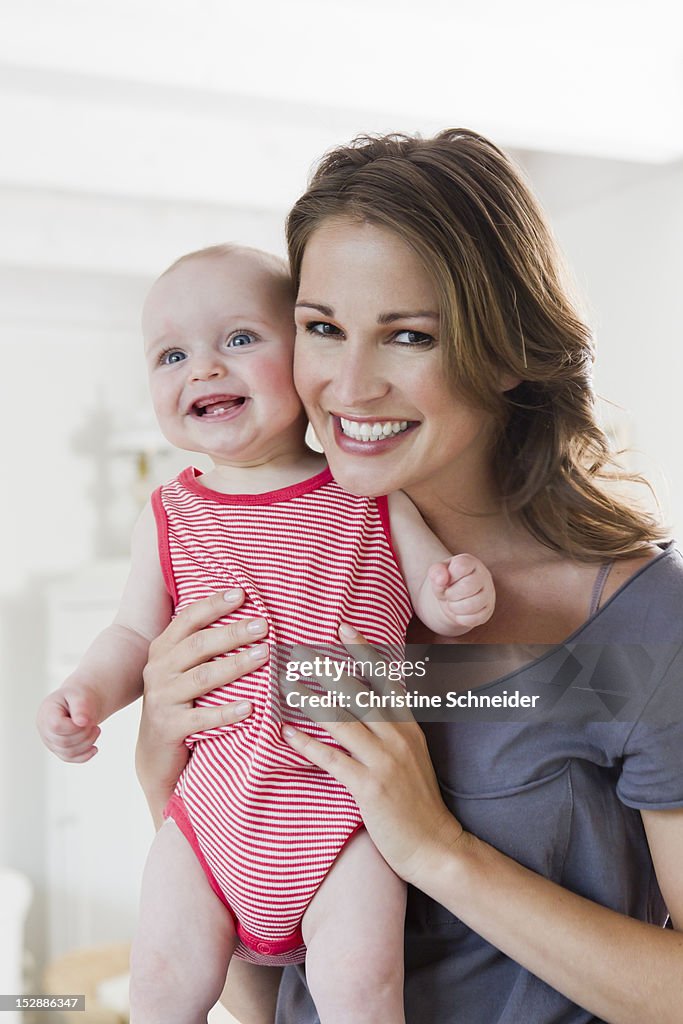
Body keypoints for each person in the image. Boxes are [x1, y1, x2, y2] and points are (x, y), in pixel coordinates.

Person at [135, 129, 683, 1024]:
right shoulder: (267, 588)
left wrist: (435, 848)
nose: (348, 387)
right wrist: (163, 765)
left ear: (506, 353)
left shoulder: (640, 629)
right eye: (321, 329)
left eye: (408, 336)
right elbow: (268, 990)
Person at [37, 242, 495, 1024]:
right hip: (210, 816)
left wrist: (454, 596)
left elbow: (433, 591)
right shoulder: (173, 512)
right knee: (160, 984)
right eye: (172, 354)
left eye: (240, 340)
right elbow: (130, 634)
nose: (205, 369)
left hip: (346, 811)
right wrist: (87, 694)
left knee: (360, 987)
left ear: (303, 357)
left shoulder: (367, 490)